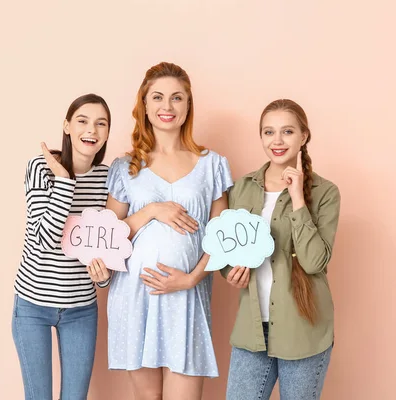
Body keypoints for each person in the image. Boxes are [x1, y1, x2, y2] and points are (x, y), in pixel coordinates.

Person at [106, 62, 233, 399]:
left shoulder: (212, 164)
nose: (167, 106)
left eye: (177, 98)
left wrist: (192, 278)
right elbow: (108, 239)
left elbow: (222, 237)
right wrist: (150, 211)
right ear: (144, 106)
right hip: (135, 297)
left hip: (187, 295)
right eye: (158, 97)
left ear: (188, 106)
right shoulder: (124, 167)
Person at [224, 99, 341, 400]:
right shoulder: (242, 188)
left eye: (287, 132)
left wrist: (298, 199)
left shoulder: (325, 193)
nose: (277, 141)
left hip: (303, 331)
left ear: (303, 136)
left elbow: (315, 262)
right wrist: (231, 273)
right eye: (268, 132)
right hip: (252, 330)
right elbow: (228, 250)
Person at [12, 93, 113, 400]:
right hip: (32, 306)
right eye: (82, 121)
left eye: (101, 123)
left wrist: (103, 276)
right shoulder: (41, 168)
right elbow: (44, 239)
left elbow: (107, 246)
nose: (91, 130)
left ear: (108, 132)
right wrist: (65, 181)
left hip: (81, 309)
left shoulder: (108, 178)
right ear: (67, 126)